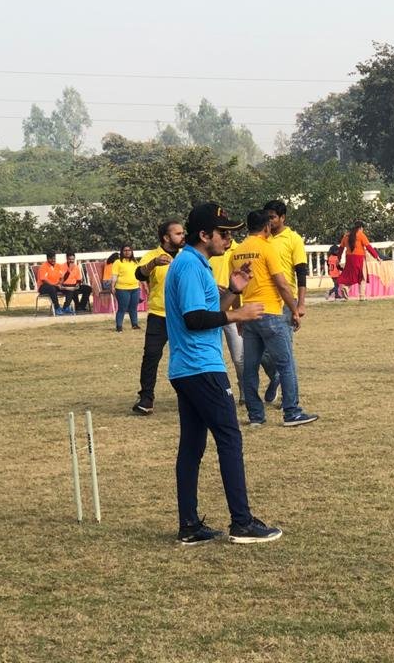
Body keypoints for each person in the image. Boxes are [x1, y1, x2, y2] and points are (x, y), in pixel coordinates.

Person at [166, 202, 281, 545]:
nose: (229, 240)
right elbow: (194, 319)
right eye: (223, 234)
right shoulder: (190, 265)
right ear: (204, 235)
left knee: (192, 446)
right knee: (230, 438)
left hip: (188, 368)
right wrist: (238, 315)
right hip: (201, 367)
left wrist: (233, 291)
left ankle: (189, 526)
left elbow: (206, 311)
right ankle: (241, 522)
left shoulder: (194, 263)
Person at [233, 209, 318, 428]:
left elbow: (235, 287)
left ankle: (255, 416)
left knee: (250, 367)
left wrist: (238, 315)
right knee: (285, 363)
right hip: (270, 311)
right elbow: (282, 284)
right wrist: (295, 310)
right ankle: (292, 412)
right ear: (266, 227)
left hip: (248, 313)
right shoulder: (267, 247)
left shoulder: (236, 251)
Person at [132, 220, 185, 415]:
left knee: (186, 356)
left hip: (183, 316)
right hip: (159, 314)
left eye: (183, 233)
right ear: (166, 237)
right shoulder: (152, 256)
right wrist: (153, 264)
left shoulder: (187, 255)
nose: (183, 236)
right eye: (178, 233)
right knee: (151, 356)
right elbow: (139, 274)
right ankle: (146, 398)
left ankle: (189, 395)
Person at [261, 199, 309, 404]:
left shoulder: (293, 239)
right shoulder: (262, 238)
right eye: (267, 217)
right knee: (262, 353)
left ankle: (289, 399)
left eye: (273, 217)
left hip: (285, 301)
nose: (269, 221)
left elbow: (301, 273)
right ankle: (276, 377)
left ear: (282, 218)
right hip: (264, 299)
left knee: (285, 351)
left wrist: (300, 304)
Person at [209, 235, 245, 405]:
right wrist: (211, 286)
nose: (227, 236)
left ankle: (245, 390)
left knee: (239, 357)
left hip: (232, 313)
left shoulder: (239, 251)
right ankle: (216, 392)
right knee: (213, 357)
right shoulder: (209, 251)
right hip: (210, 311)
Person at [337, 221, 382, 301]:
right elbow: (368, 247)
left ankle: (345, 288)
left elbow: (341, 249)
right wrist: (376, 256)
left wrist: (338, 259)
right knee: (362, 277)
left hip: (349, 258)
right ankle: (362, 296)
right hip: (359, 258)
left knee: (351, 276)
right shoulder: (360, 234)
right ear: (361, 227)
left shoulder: (346, 236)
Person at [111, 245, 141, 332]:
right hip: (122, 289)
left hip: (135, 288)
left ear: (132, 252)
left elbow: (138, 275)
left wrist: (141, 285)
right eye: (125, 250)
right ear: (122, 252)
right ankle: (119, 326)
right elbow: (114, 275)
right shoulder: (117, 262)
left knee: (133, 307)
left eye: (129, 250)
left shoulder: (135, 262)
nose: (127, 252)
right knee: (122, 308)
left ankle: (134, 324)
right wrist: (112, 286)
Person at [36, 251, 66, 315]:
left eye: (54, 258)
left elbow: (62, 277)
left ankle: (66, 307)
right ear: (47, 259)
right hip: (43, 287)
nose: (53, 260)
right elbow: (44, 280)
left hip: (56, 286)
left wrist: (60, 284)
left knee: (68, 288)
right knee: (52, 288)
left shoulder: (58, 266)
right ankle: (57, 308)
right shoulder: (43, 267)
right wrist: (55, 285)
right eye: (51, 258)